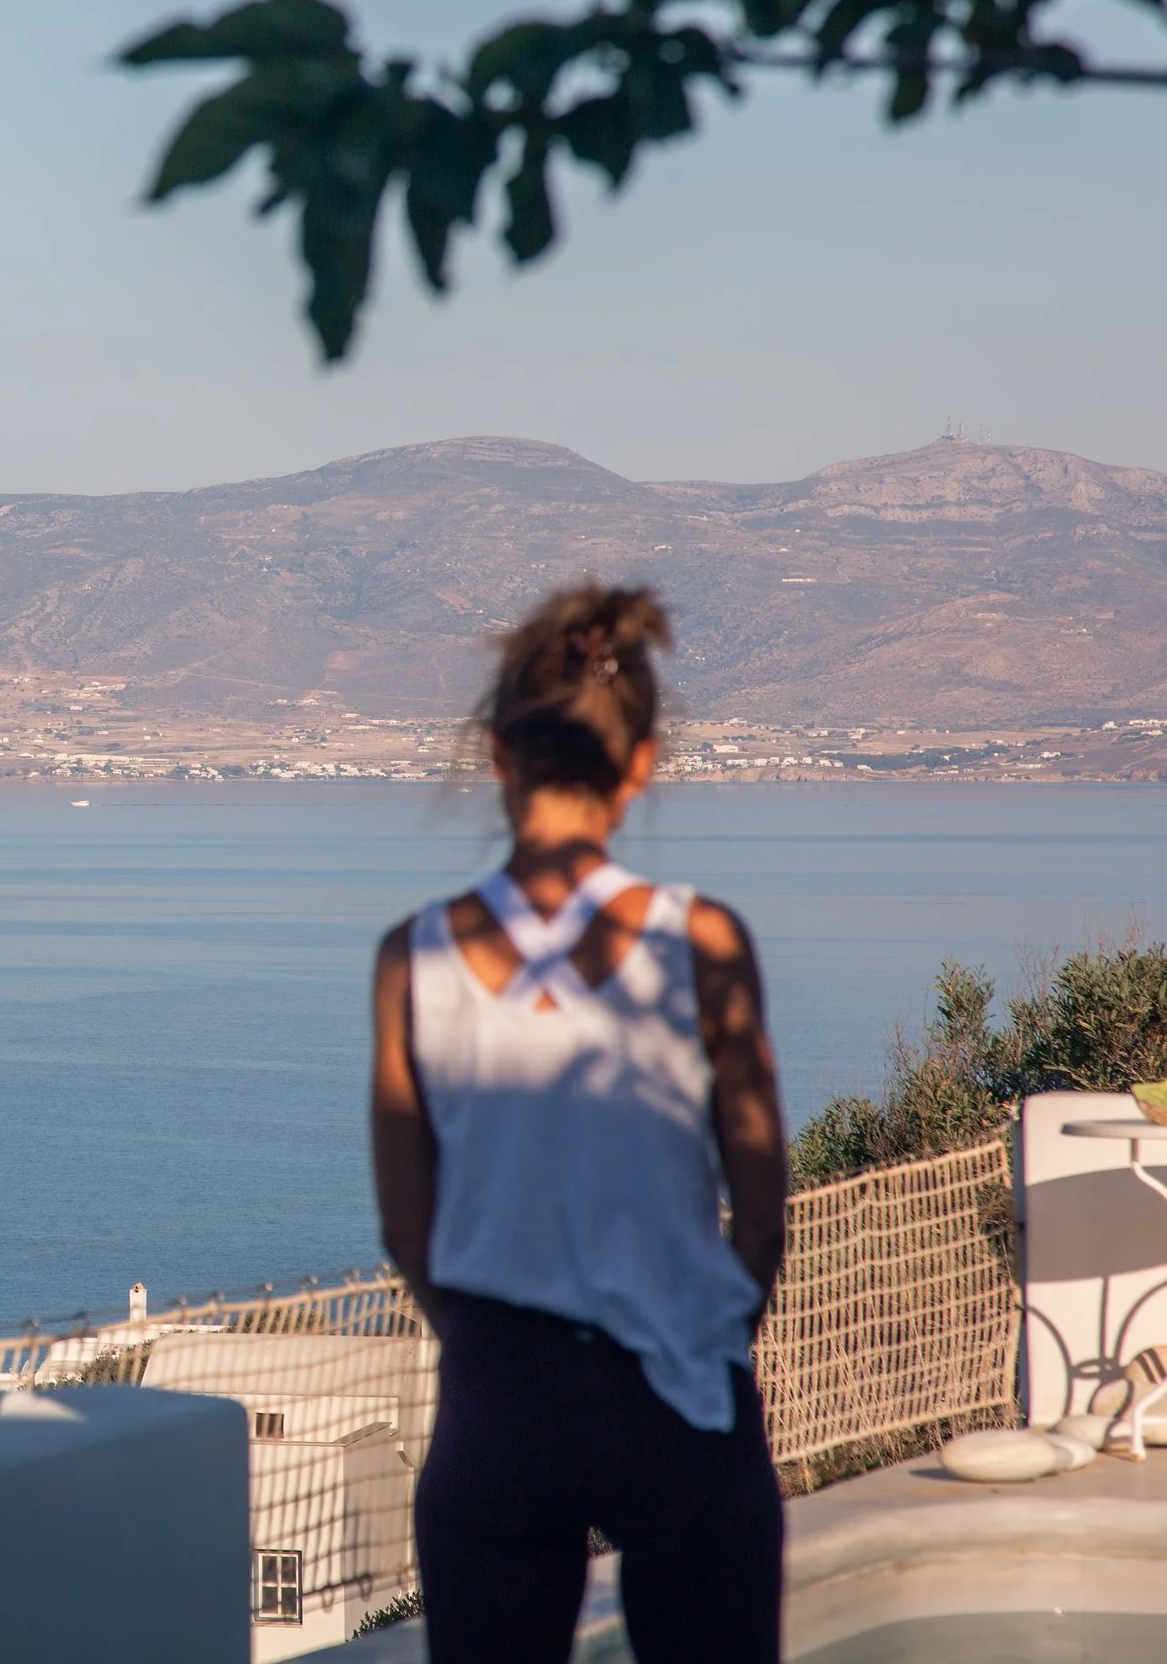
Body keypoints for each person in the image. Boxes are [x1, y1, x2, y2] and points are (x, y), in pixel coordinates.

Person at [369, 584, 789, 1664]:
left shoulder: (414, 956)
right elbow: (759, 1186)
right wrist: (710, 1327)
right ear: (641, 761)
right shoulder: (701, 940)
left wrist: (484, 1347)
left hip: (498, 1398)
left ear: (499, 754)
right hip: (679, 1384)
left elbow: (408, 1229)